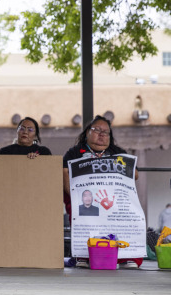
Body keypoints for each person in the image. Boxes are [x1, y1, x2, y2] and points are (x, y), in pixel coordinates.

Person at [63, 115, 142, 269]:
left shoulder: (117, 152)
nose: (101, 134)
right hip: (85, 198)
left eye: (106, 132)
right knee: (81, 210)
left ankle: (126, 256)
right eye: (97, 130)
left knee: (129, 212)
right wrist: (75, 197)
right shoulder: (74, 152)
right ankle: (83, 256)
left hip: (112, 199)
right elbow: (64, 173)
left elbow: (135, 174)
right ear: (87, 133)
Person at [0, 117, 52, 255]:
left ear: (36, 134)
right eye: (22, 128)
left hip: (36, 201)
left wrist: (36, 163)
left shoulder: (43, 152)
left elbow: (49, 175)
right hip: (10, 199)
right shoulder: (5, 151)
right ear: (17, 131)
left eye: (30, 129)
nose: (25, 131)